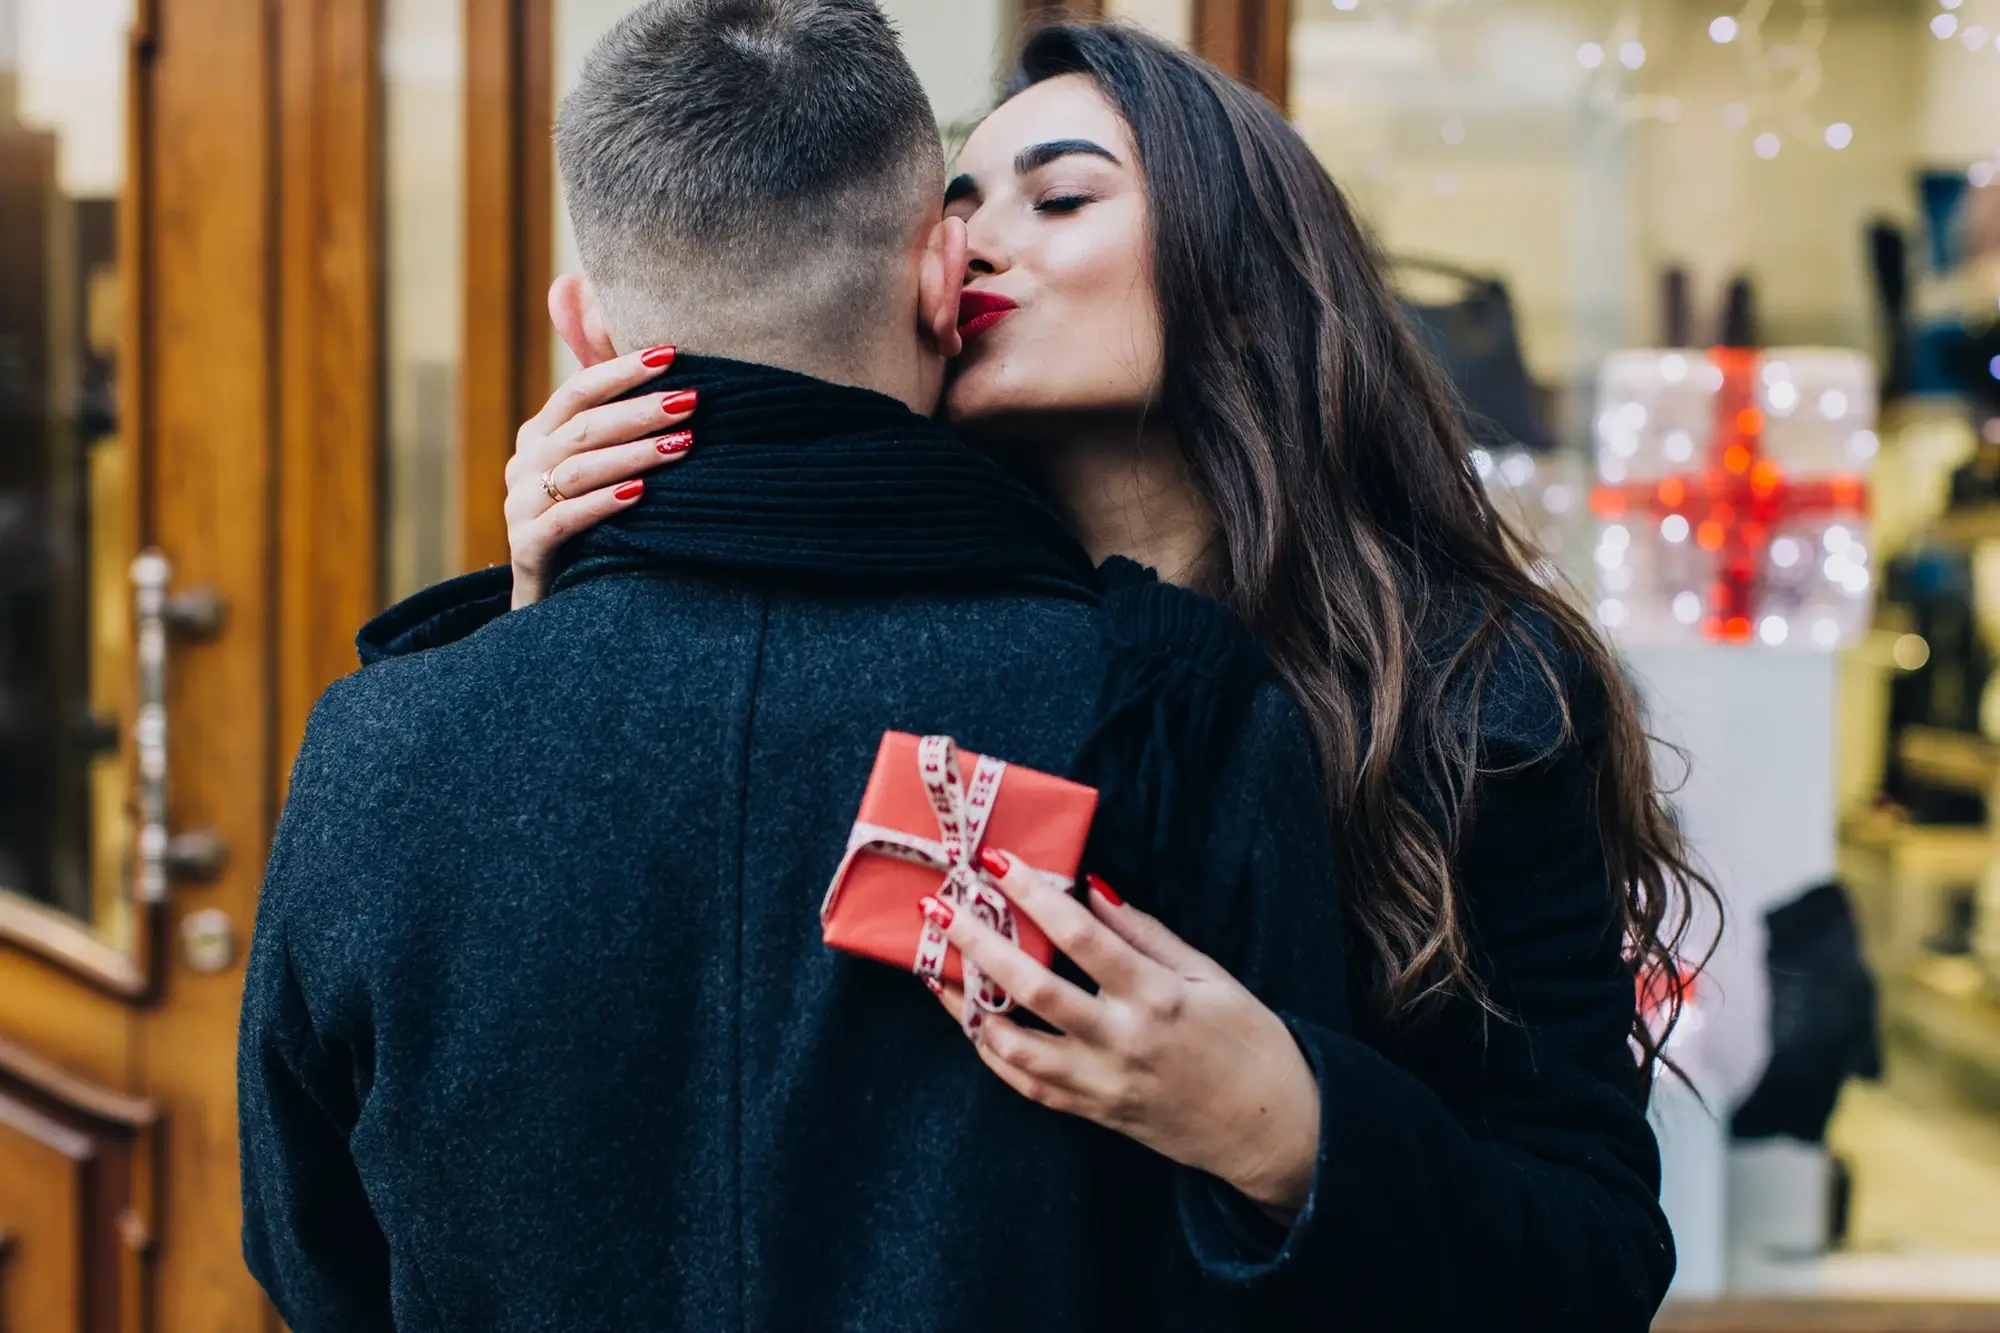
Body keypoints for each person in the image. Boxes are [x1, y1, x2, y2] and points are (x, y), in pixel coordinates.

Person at [466, 15, 1724, 1333]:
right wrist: (564, 610)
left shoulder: (1472, 693)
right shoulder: (909, 643)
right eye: (953, 213)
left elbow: (1592, 1256)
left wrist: (1286, 1128)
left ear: (1240, 269)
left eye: (1060, 196)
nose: (978, 240)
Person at [238, 4, 1354, 1331]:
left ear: (584, 330)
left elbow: (313, 1265)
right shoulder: (1175, 712)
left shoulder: (377, 748)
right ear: (946, 284)